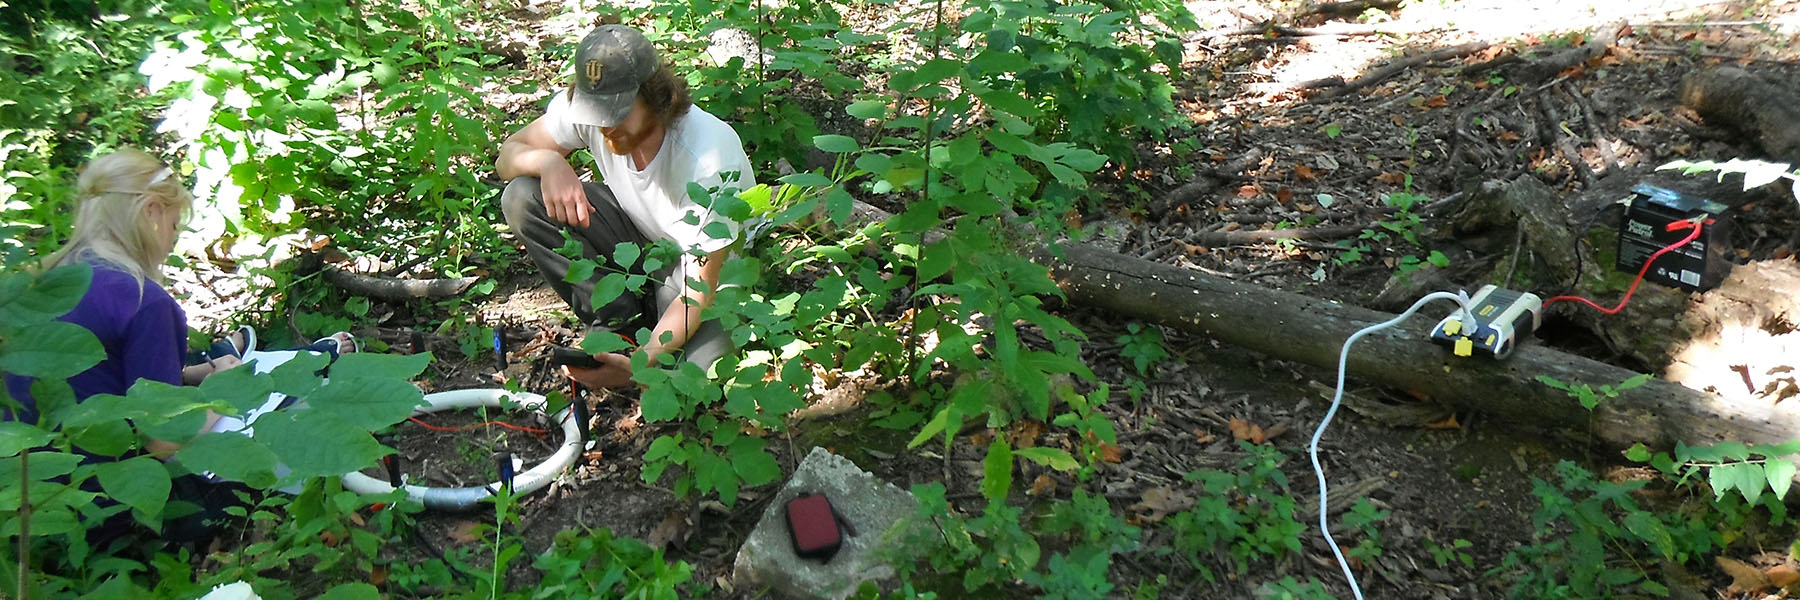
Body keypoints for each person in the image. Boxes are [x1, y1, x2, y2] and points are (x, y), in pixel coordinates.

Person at [0, 148, 352, 545]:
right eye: (173, 226)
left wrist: (187, 375)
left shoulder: (42, 282)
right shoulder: (143, 300)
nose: (170, 242)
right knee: (283, 436)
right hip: (107, 507)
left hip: (28, 491)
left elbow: (96, 376)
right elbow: (163, 441)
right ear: (150, 211)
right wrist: (224, 385)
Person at [496, 23, 755, 388]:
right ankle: (616, 322)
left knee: (692, 380)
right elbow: (508, 155)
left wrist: (642, 363)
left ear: (655, 95)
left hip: (707, 271)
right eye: (596, 111)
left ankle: (634, 355)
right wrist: (549, 162)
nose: (604, 126)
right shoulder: (591, 117)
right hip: (640, 236)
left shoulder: (706, 158)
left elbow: (699, 291)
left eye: (616, 111)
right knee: (522, 196)